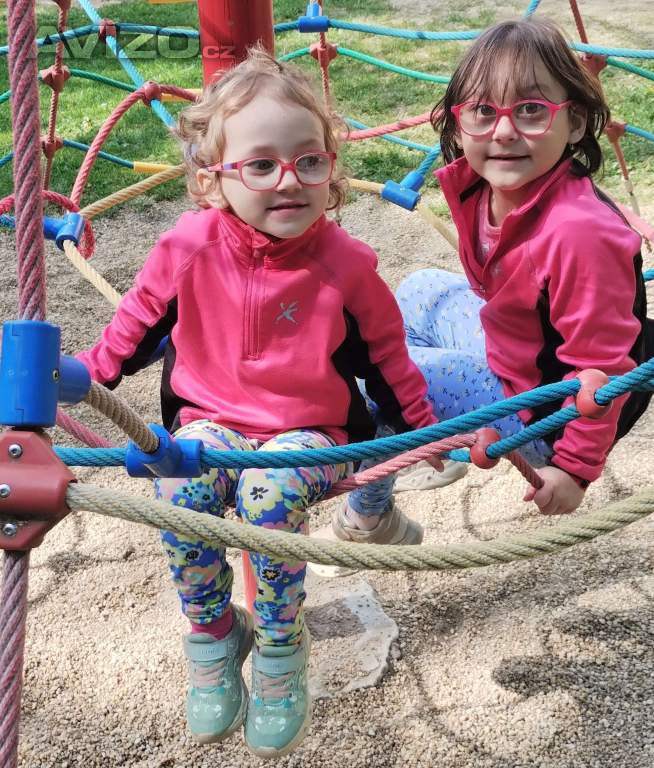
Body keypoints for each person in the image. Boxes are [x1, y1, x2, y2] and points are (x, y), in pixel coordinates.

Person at [77, 48, 440, 758]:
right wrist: (87, 377)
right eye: (262, 164)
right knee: (180, 487)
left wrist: (427, 431)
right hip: (209, 420)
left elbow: (388, 360)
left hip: (313, 432)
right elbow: (135, 324)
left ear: (331, 170)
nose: (289, 179)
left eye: (309, 161)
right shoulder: (187, 246)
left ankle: (280, 647)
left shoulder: (347, 266)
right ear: (212, 180)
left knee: (268, 495)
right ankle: (215, 635)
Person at [337, 17, 653, 532]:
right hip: (515, 353)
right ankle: (431, 435)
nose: (504, 130)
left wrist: (574, 470)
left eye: (531, 109)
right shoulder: (487, 188)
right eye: (484, 111)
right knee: (419, 290)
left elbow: (604, 371)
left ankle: (369, 518)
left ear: (574, 123)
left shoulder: (579, 233)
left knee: (391, 377)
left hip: (551, 415)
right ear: (459, 122)